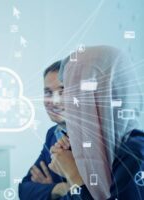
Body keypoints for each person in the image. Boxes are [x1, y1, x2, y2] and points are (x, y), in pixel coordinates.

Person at [48, 46, 144, 199]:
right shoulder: (93, 146)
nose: (69, 104)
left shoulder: (135, 154)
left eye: (77, 94)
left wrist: (74, 176)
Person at [19, 61, 71, 200]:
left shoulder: (97, 140)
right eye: (48, 92)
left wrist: (49, 191)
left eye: (62, 91)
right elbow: (24, 189)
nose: (54, 101)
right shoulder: (53, 134)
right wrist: (59, 188)